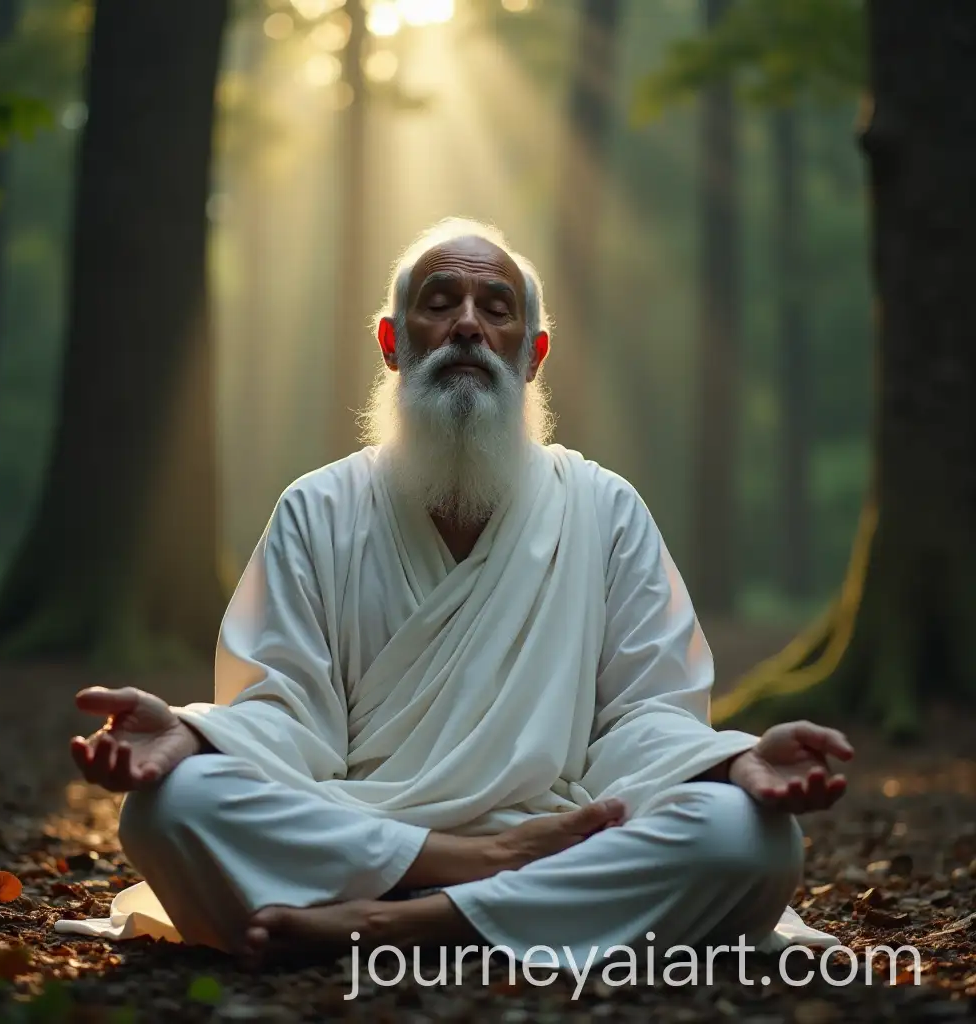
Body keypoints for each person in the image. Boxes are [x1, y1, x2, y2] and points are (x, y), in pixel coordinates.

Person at [56, 218, 851, 968]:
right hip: (362, 830)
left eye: (495, 309)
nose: (467, 325)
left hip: (556, 836)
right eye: (439, 303)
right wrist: (194, 736)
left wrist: (732, 763)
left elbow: (644, 716)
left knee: (749, 837)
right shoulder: (317, 508)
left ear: (532, 355)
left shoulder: (604, 508)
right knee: (169, 807)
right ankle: (484, 883)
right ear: (392, 343)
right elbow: (285, 714)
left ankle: (397, 924)